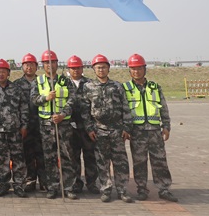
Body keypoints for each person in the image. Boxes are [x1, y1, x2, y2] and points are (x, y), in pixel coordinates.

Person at [123, 53, 178, 202]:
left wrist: (166, 126)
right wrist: (126, 129)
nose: (136, 71)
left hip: (154, 132)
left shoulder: (155, 87)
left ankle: (164, 189)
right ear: (130, 71)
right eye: (133, 69)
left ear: (145, 69)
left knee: (160, 161)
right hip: (137, 132)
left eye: (139, 68)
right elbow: (123, 110)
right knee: (139, 162)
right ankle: (142, 189)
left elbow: (163, 108)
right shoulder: (125, 88)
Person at [81, 54, 134, 203]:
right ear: (94, 69)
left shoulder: (117, 86)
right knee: (102, 163)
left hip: (117, 130)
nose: (101, 70)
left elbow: (125, 107)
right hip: (99, 130)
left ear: (108, 68)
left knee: (120, 162)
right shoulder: (88, 87)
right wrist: (89, 129)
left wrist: (127, 127)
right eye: (98, 67)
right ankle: (106, 189)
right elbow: (85, 111)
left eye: (104, 67)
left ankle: (122, 190)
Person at [30, 50, 78, 200]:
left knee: (67, 156)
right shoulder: (38, 81)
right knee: (49, 158)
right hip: (46, 126)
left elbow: (72, 100)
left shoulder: (66, 81)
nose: (49, 65)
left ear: (57, 63)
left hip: (63, 124)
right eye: (46, 63)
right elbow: (33, 100)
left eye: (52, 62)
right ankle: (52, 187)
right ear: (43, 65)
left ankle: (69, 187)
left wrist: (63, 114)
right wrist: (46, 98)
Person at [0, 59, 28, 198]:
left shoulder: (16, 89)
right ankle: (3, 185)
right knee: (1, 160)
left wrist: (24, 125)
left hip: (15, 130)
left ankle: (19, 185)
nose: (1, 74)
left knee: (18, 159)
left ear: (8, 73)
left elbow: (24, 108)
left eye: (3, 72)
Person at [66, 55, 98, 195]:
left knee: (90, 156)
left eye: (78, 68)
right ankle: (76, 183)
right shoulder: (64, 84)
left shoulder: (90, 84)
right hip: (70, 127)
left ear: (82, 68)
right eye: (73, 68)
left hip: (87, 127)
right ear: (68, 69)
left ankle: (92, 183)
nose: (76, 70)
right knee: (73, 157)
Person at [16, 53, 45, 192]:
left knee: (42, 153)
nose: (29, 67)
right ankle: (30, 180)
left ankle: (44, 180)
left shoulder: (43, 82)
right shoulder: (17, 85)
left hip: (41, 123)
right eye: (26, 65)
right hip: (25, 125)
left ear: (36, 66)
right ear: (22, 67)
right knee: (27, 153)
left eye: (32, 64)